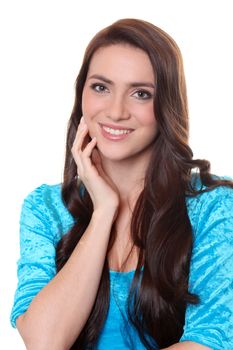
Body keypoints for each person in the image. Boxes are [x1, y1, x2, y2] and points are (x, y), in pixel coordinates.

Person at [11, 18, 233, 350]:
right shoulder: (46, 208)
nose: (116, 112)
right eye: (101, 87)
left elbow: (210, 339)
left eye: (141, 94)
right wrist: (104, 212)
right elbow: (44, 341)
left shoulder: (213, 203)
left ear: (166, 106)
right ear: (81, 94)